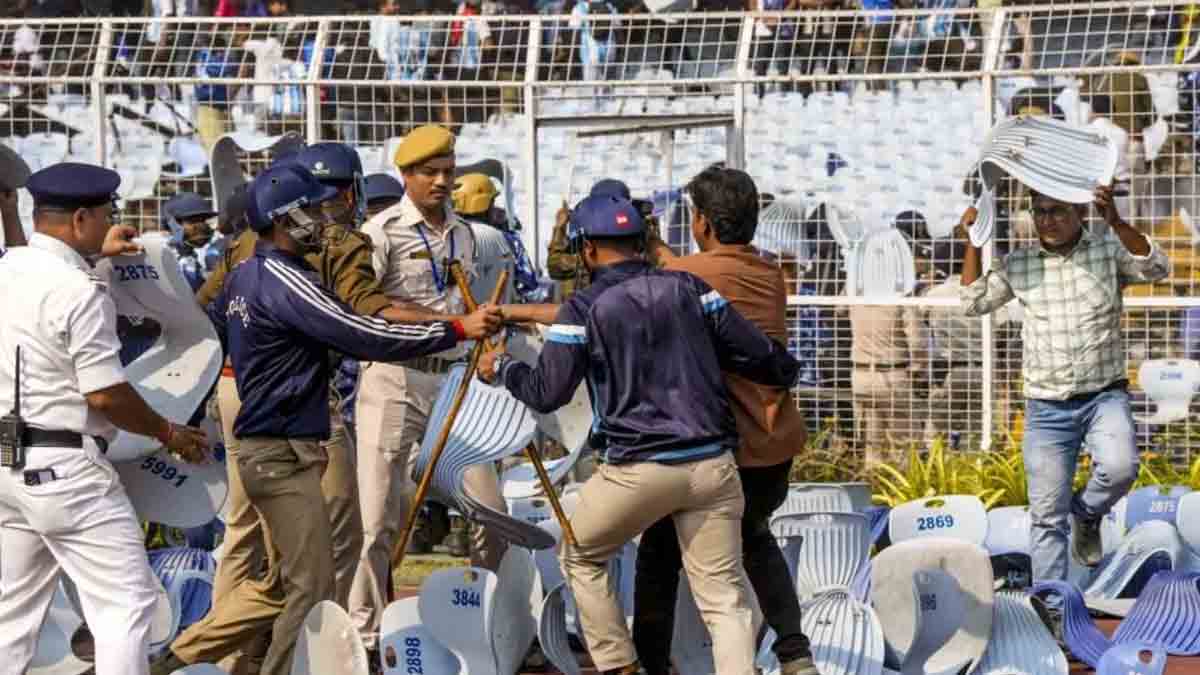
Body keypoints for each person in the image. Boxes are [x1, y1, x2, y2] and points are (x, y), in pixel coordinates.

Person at [154, 163, 490, 675]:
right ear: (285, 218)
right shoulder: (287, 279)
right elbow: (363, 334)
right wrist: (457, 329)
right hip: (284, 450)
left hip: (267, 443)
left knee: (277, 582)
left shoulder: (246, 272)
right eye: (310, 209)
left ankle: (176, 656)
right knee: (308, 584)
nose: (321, 217)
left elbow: (215, 320)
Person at [478, 193, 801, 675]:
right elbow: (768, 359)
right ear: (642, 243)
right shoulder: (692, 289)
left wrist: (502, 367)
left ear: (587, 250)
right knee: (724, 599)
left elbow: (546, 393)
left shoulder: (583, 308)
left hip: (637, 472)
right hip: (713, 467)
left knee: (580, 555)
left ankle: (618, 665)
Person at [0, 163, 209, 675]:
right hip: (67, 470)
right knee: (128, 606)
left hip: (9, 462)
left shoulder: (9, 268)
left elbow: (44, 300)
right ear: (79, 219)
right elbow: (106, 396)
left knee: (12, 615)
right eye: (106, 214)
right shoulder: (79, 290)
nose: (111, 221)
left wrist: (95, 258)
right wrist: (167, 431)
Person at [958, 185, 1170, 639]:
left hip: (1103, 397)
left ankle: (1088, 514)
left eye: (1057, 211)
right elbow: (973, 302)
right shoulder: (1019, 263)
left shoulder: (1108, 250)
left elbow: (1157, 266)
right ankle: (1050, 622)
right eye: (1039, 212)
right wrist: (973, 241)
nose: (1046, 219)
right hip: (1046, 409)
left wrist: (1116, 220)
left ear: (1079, 213)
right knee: (1046, 518)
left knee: (1120, 468)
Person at [630, 166, 816, 675]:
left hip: (722, 446)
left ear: (704, 223)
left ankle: (648, 662)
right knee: (755, 538)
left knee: (659, 553)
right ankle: (796, 653)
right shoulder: (768, 274)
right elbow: (703, 274)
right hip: (774, 441)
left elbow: (671, 285)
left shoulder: (685, 277)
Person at [350, 124, 511, 656]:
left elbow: (479, 308)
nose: (442, 182)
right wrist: (449, 325)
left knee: (492, 509)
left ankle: (485, 626)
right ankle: (365, 636)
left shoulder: (467, 235)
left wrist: (486, 340)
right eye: (430, 173)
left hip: (454, 383)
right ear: (406, 175)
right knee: (376, 519)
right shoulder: (381, 231)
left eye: (448, 172)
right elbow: (366, 308)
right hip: (394, 379)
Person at [161, 192, 218, 293]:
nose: (202, 227)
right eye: (193, 221)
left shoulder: (198, 256)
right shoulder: (163, 259)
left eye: (203, 220)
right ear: (172, 224)